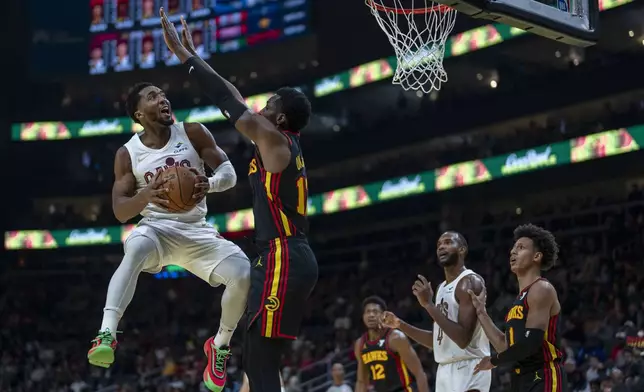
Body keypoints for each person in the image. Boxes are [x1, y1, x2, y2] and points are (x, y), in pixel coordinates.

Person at [160, 9, 318, 392]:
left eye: (270, 105)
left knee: (259, 355)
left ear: (280, 120)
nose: (261, 108)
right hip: (281, 256)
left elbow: (229, 105)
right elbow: (235, 97)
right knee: (258, 354)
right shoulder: (278, 141)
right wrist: (200, 60)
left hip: (284, 255)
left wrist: (187, 59)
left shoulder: (275, 141)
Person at [87, 82, 251, 392]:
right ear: (139, 113)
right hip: (157, 230)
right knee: (134, 247)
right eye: (153, 96)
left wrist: (211, 183)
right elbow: (121, 211)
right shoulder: (127, 154)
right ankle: (106, 333)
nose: (163, 98)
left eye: (163, 93)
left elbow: (229, 174)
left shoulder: (193, 132)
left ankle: (220, 345)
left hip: (198, 232)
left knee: (243, 274)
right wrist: (145, 194)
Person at [382, 231, 491, 392]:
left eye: (448, 242)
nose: (441, 247)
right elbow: (438, 342)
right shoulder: (440, 288)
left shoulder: (469, 282)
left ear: (462, 249)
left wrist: (429, 305)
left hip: (471, 366)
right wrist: (400, 325)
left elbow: (462, 339)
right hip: (445, 369)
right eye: (439, 244)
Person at [468, 224, 567, 392]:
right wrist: (481, 312)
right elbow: (504, 346)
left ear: (536, 256)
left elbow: (531, 343)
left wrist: (493, 361)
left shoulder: (541, 288)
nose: (513, 252)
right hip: (521, 377)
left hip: (543, 374)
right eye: (513, 248)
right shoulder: (519, 300)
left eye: (520, 248)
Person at [354, 296, 429, 392]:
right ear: (363, 316)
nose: (371, 315)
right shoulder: (360, 344)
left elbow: (419, 373)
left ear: (383, 315)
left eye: (375, 312)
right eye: (367, 312)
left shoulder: (396, 338)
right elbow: (361, 381)